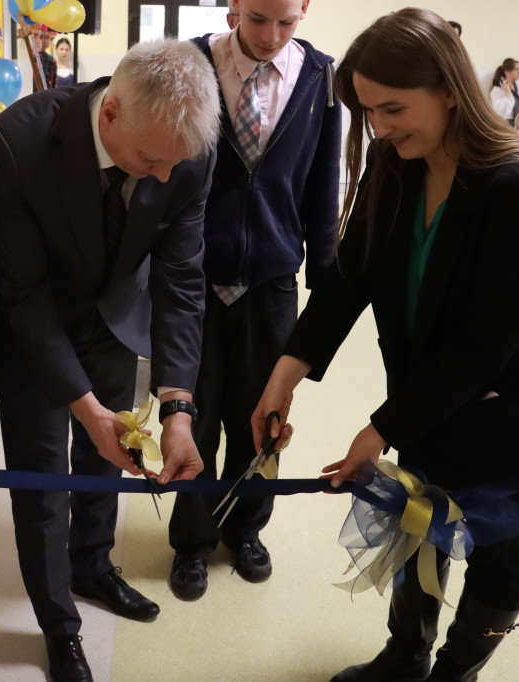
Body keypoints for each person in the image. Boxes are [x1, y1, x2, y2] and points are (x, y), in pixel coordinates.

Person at [251, 9, 519, 682]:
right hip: (434, 391)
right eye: (369, 112)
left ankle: (455, 672)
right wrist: (284, 376)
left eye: (393, 108)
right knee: (418, 524)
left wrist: (378, 429)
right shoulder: (396, 160)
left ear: (449, 89)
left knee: (496, 548)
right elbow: (348, 276)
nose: (379, 128)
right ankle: (405, 656)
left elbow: (485, 345)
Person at [0, 39, 220, 682]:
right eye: (150, 160)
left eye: (177, 164)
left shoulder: (183, 149)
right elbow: (24, 296)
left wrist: (177, 405)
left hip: (115, 320)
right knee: (43, 486)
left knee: (109, 459)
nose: (165, 178)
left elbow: (181, 280)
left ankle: (93, 563)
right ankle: (59, 625)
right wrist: (83, 407)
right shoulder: (18, 141)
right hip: (30, 327)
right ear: (110, 113)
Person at [167, 0, 341, 601]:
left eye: (286, 22)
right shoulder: (191, 62)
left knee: (262, 417)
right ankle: (191, 538)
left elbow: (324, 185)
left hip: (271, 282)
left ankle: (245, 527)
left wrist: (325, 278)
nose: (270, 36)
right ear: (234, 6)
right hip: (195, 281)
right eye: (257, 17)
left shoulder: (320, 79)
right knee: (195, 412)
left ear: (305, 11)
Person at [489, 58, 519, 126]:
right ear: (507, 73)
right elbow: (500, 113)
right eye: (516, 69)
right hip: (505, 125)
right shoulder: (498, 90)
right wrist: (508, 93)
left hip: (518, 125)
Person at [32, 24, 58, 88]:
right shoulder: (25, 58)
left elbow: (52, 87)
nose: (48, 42)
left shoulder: (51, 61)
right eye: (46, 37)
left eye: (52, 39)